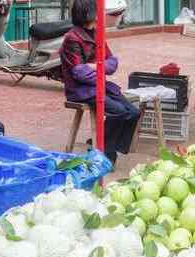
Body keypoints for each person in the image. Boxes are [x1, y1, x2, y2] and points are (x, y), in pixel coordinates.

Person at [60, 0, 140, 165]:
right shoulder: (72, 38)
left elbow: (113, 62)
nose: (100, 17)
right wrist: (101, 69)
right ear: (86, 14)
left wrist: (95, 66)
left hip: (99, 86)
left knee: (133, 112)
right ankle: (106, 155)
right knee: (119, 111)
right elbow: (80, 73)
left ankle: (99, 144)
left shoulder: (96, 33)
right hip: (81, 90)